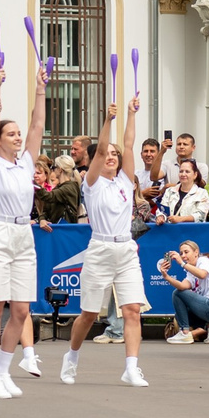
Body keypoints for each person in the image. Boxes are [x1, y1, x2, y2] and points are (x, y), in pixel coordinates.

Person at [0, 53, 46, 399]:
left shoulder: (25, 164)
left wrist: (41, 90)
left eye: (17, 134)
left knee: (21, 309)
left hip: (22, 235)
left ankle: (3, 369)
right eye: (10, 133)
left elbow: (37, 127)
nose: (17, 137)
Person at [61, 93, 149, 387]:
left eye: (114, 154)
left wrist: (130, 113)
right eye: (106, 153)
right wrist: (109, 120)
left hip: (125, 248)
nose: (111, 156)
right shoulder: (92, 183)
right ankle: (71, 357)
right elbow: (98, 152)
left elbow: (129, 144)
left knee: (132, 310)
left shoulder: (126, 180)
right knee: (88, 314)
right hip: (99, 248)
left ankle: (132, 367)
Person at [159, 240, 209, 342]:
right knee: (181, 311)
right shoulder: (191, 271)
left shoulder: (203, 261)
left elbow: (202, 274)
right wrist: (166, 276)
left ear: (196, 252)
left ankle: (185, 333)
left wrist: (182, 263)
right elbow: (182, 286)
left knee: (177, 294)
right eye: (181, 253)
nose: (183, 256)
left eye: (186, 252)